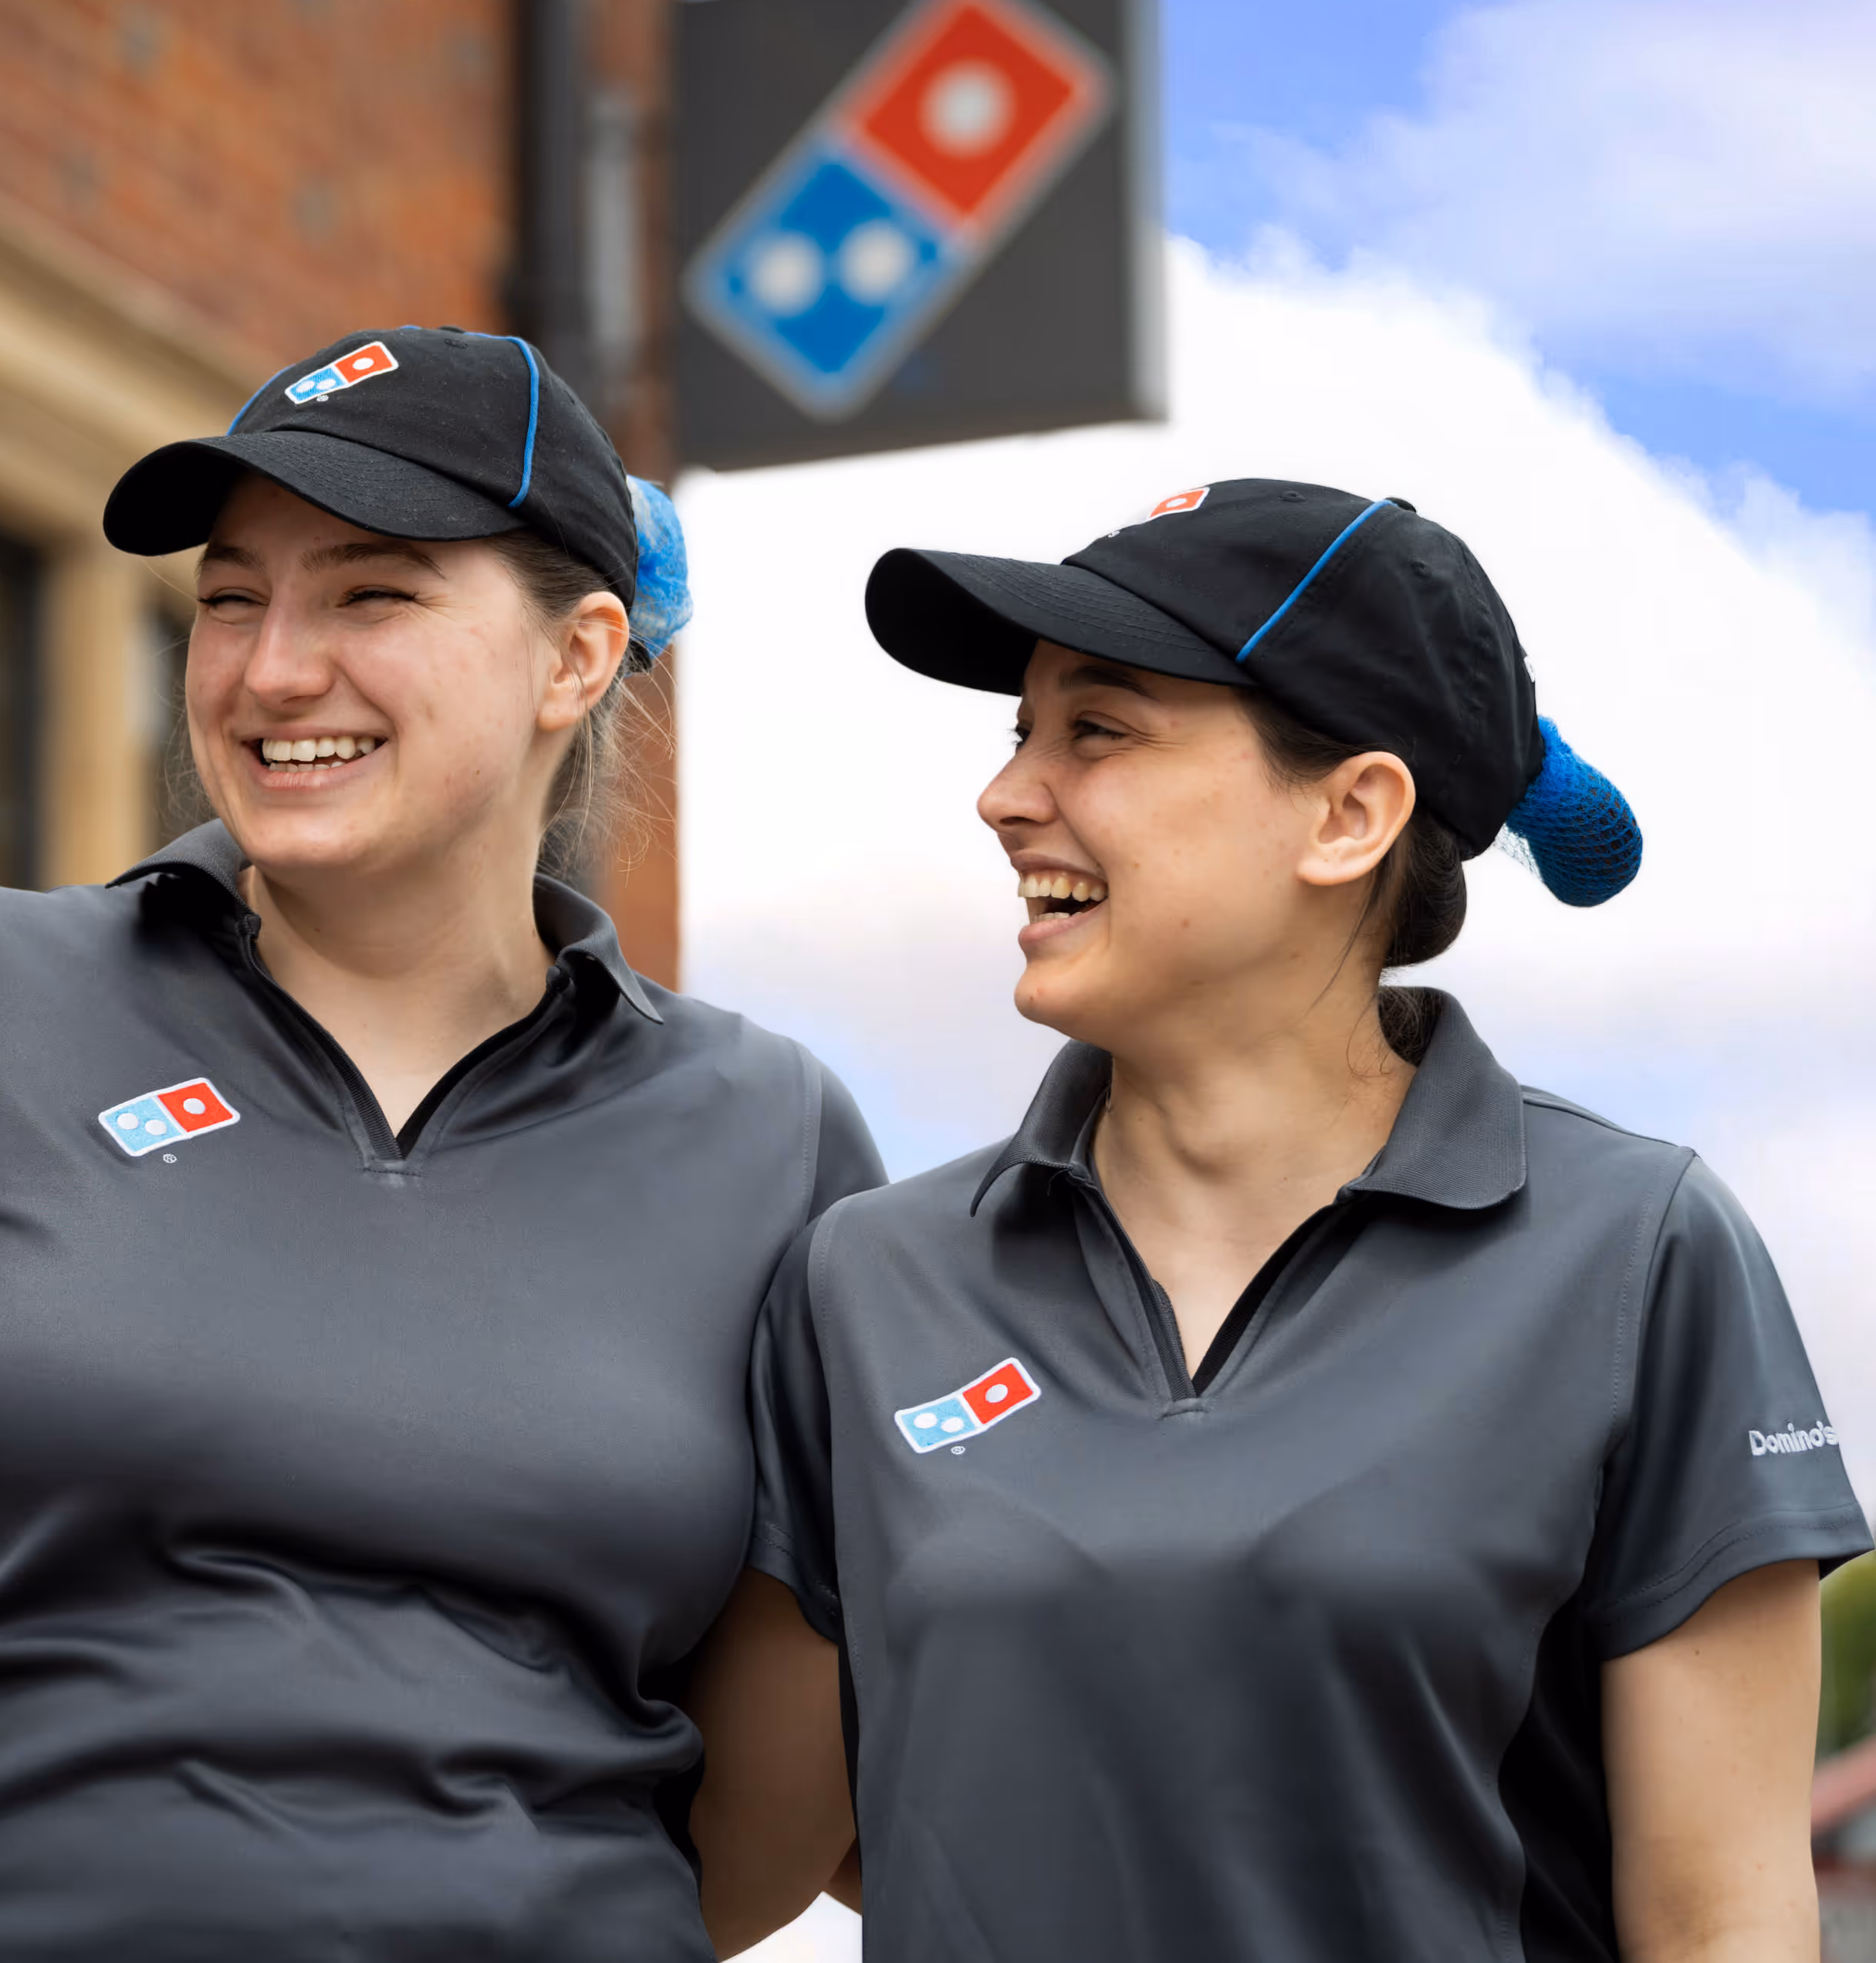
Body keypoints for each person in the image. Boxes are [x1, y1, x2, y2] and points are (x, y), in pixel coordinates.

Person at [0, 327, 886, 1961]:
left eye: (370, 592)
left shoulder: (771, 1139)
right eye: (228, 596)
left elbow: (775, 1786)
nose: (270, 667)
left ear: (576, 656)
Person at [688, 480, 1871, 1960]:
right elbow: (745, 1862)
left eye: (1098, 729)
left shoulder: (1640, 1253)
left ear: (1350, 812)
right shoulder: (869, 1278)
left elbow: (1720, 1924)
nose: (1006, 795)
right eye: (1020, 731)